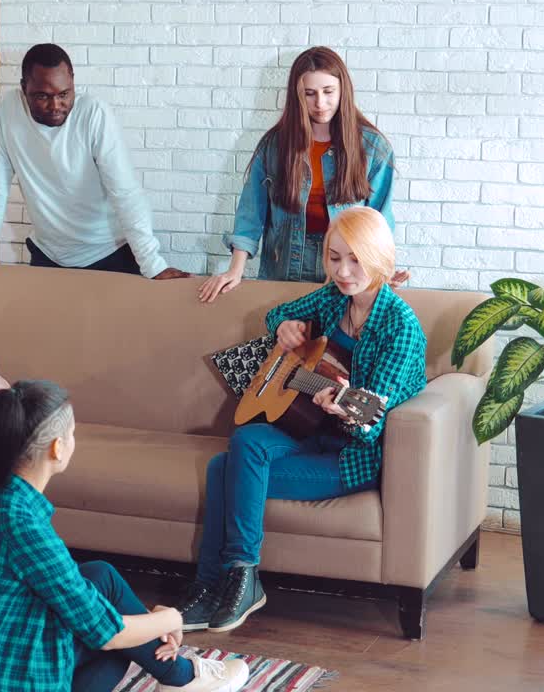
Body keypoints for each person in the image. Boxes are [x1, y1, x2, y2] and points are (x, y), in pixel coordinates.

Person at [0, 380, 249, 692]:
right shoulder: (19, 522)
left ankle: (182, 679)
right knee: (114, 647)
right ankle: (185, 679)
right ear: (56, 447)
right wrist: (171, 618)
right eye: (72, 434)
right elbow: (108, 633)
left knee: (100, 578)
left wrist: (149, 622)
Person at [179, 208, 427, 633]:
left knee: (224, 469)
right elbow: (279, 315)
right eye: (334, 258)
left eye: (355, 259)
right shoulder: (334, 298)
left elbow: (371, 422)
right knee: (247, 441)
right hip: (307, 433)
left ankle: (215, 587)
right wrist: (287, 328)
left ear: (380, 258)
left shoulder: (400, 327)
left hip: (350, 456)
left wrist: (344, 409)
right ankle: (235, 580)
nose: (344, 272)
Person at [0, 43, 190, 280]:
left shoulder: (93, 114)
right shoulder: (7, 110)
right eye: (42, 96)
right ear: (23, 88)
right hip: (48, 255)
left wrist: (152, 264)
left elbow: (126, 192)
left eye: (64, 94)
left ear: (72, 82)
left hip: (109, 252)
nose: (55, 106)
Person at [199, 46, 404, 303]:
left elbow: (379, 221)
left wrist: (382, 272)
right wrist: (235, 270)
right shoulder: (274, 146)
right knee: (283, 338)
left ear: (343, 90)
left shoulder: (373, 149)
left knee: (333, 342)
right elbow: (251, 213)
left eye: (329, 92)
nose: (320, 103)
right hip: (284, 267)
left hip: (345, 271)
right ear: (297, 96)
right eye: (309, 94)